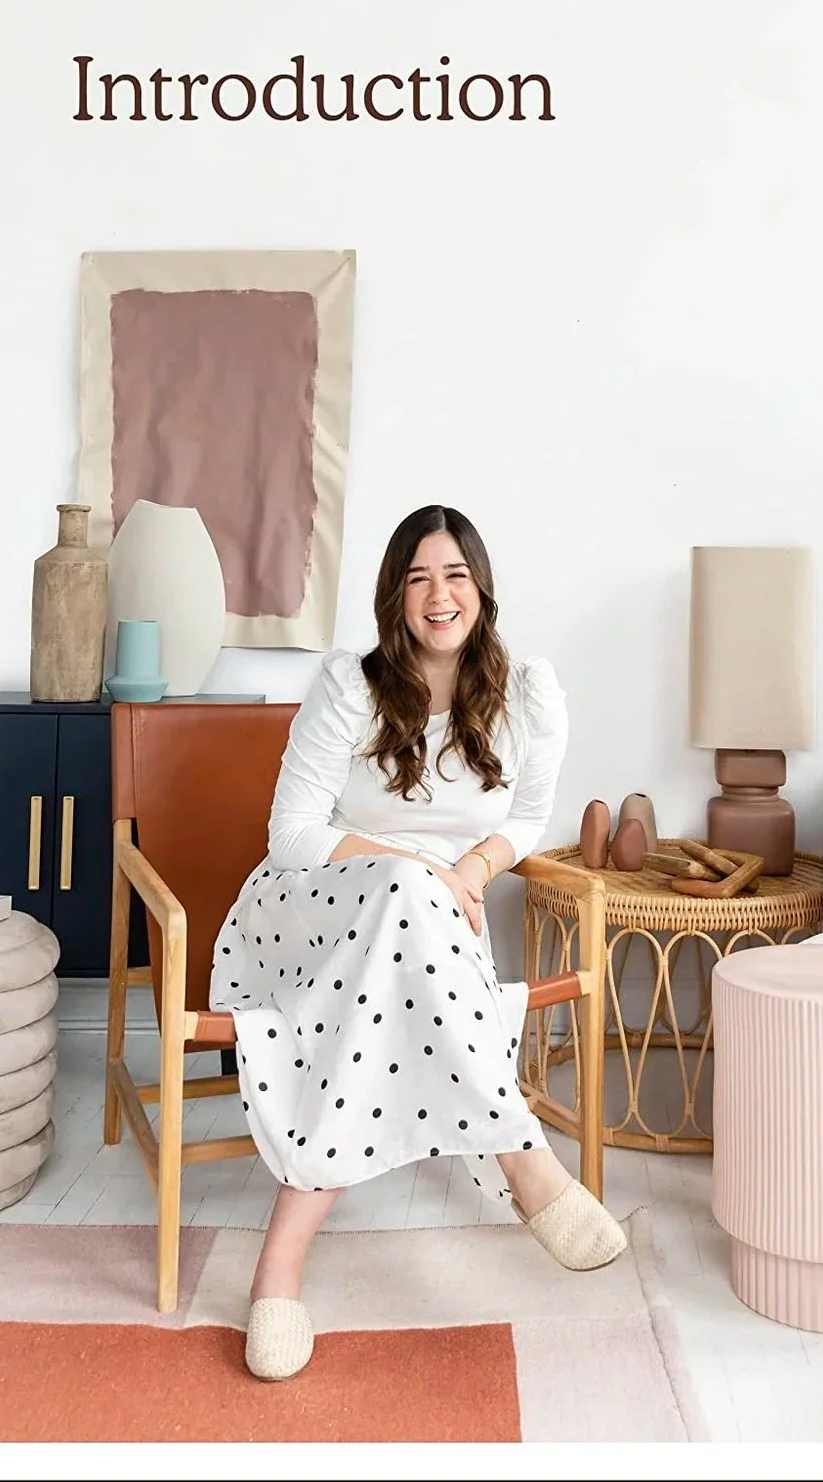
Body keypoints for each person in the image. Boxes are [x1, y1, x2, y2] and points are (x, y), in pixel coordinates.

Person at [209, 504, 626, 1381]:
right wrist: (416, 868)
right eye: (418, 577)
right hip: (311, 909)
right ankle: (525, 1161)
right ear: (395, 595)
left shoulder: (527, 693)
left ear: (482, 589)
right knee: (402, 892)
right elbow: (291, 834)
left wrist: (468, 869)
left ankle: (278, 1264)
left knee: (399, 950)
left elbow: (523, 816)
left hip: (438, 927)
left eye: (456, 576)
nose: (439, 595)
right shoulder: (351, 688)